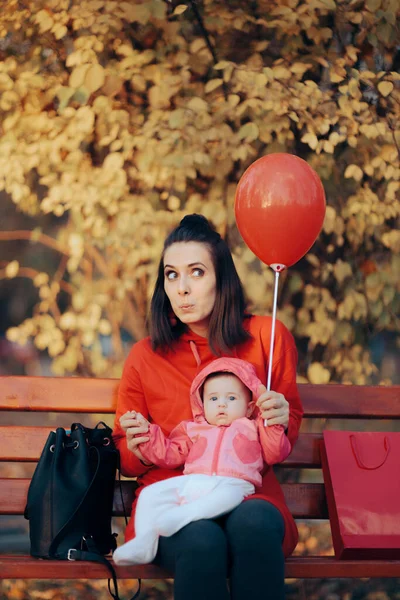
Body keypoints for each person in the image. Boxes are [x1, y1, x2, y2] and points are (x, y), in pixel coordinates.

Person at [113, 214, 303, 600]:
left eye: (196, 272)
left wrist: (280, 419)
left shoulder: (265, 338)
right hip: (173, 500)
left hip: (248, 493)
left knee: (255, 522)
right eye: (171, 275)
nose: (181, 289)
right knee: (202, 539)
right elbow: (126, 459)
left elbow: (284, 439)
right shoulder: (145, 356)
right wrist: (135, 444)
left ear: (222, 279)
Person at [113, 357, 291, 566]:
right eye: (213, 399)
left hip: (234, 484)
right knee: (150, 494)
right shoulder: (193, 429)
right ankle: (144, 541)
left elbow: (275, 452)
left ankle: (179, 517)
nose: (222, 404)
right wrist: (147, 434)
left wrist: (272, 424)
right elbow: (170, 453)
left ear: (250, 408)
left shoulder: (253, 427)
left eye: (232, 398)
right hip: (195, 482)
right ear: (202, 404)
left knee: (223, 499)